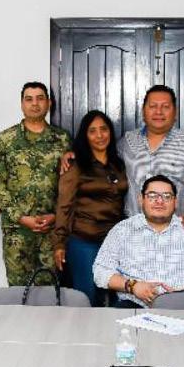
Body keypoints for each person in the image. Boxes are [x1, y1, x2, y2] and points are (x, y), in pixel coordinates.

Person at [0, 81, 71, 286]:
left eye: (40, 98)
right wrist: (21, 217)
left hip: (51, 230)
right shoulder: (5, 140)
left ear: (49, 103)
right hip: (17, 231)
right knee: (18, 292)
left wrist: (56, 216)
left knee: (49, 291)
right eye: (29, 99)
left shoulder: (62, 139)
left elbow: (70, 185)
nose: (35, 104)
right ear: (22, 104)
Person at [92, 175, 184, 308]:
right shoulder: (122, 230)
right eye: (152, 195)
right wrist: (133, 286)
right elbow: (101, 271)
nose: (159, 201)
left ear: (175, 202)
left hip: (181, 306)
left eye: (167, 196)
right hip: (133, 304)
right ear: (141, 200)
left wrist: (183, 295)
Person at [52, 110, 128, 306]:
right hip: (84, 240)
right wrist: (59, 243)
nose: (99, 135)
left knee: (118, 295)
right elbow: (64, 205)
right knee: (87, 296)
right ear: (85, 136)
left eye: (104, 129)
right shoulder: (75, 165)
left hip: (115, 242)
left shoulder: (118, 164)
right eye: (92, 131)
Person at [119, 85, 184, 225]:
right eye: (153, 106)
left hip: (178, 228)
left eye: (165, 107)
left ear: (175, 113)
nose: (158, 112)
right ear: (143, 111)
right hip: (135, 228)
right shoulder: (127, 141)